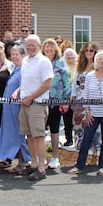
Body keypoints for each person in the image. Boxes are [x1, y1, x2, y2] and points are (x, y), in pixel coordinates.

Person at [67, 50, 103, 176]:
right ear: (96, 60)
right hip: (92, 113)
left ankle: (102, 166)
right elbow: (85, 95)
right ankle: (79, 166)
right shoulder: (89, 76)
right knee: (86, 139)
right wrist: (87, 111)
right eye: (100, 58)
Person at [13, 35, 53, 181]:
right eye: (28, 45)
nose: (30, 47)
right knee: (29, 135)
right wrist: (18, 92)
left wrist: (31, 98)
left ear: (39, 45)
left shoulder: (44, 62)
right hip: (25, 103)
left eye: (33, 45)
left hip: (37, 104)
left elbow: (46, 84)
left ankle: (42, 168)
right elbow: (25, 82)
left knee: (38, 136)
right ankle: (34, 164)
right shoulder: (25, 61)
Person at [0, 44, 32, 173]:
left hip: (17, 108)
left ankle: (23, 162)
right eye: (13, 54)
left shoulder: (23, 71)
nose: (14, 57)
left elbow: (24, 88)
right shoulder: (15, 69)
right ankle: (19, 161)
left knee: (19, 136)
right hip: (8, 108)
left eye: (17, 54)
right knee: (13, 135)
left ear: (23, 56)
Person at [44, 39, 70, 168]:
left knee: (54, 130)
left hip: (55, 102)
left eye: (51, 47)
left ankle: (55, 157)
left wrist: (66, 101)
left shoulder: (60, 63)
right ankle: (41, 157)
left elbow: (66, 82)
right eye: (47, 47)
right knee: (39, 131)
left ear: (56, 49)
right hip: (40, 102)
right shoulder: (41, 62)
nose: (49, 49)